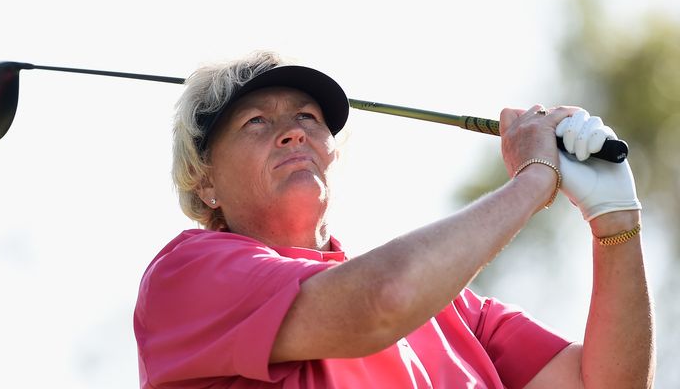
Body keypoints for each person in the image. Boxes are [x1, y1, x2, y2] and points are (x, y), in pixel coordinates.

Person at [133, 51, 654, 388]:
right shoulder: (188, 277)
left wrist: (614, 222)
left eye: (307, 118)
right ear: (205, 182)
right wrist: (534, 179)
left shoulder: (450, 305)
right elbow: (382, 303)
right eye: (256, 122)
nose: (293, 133)